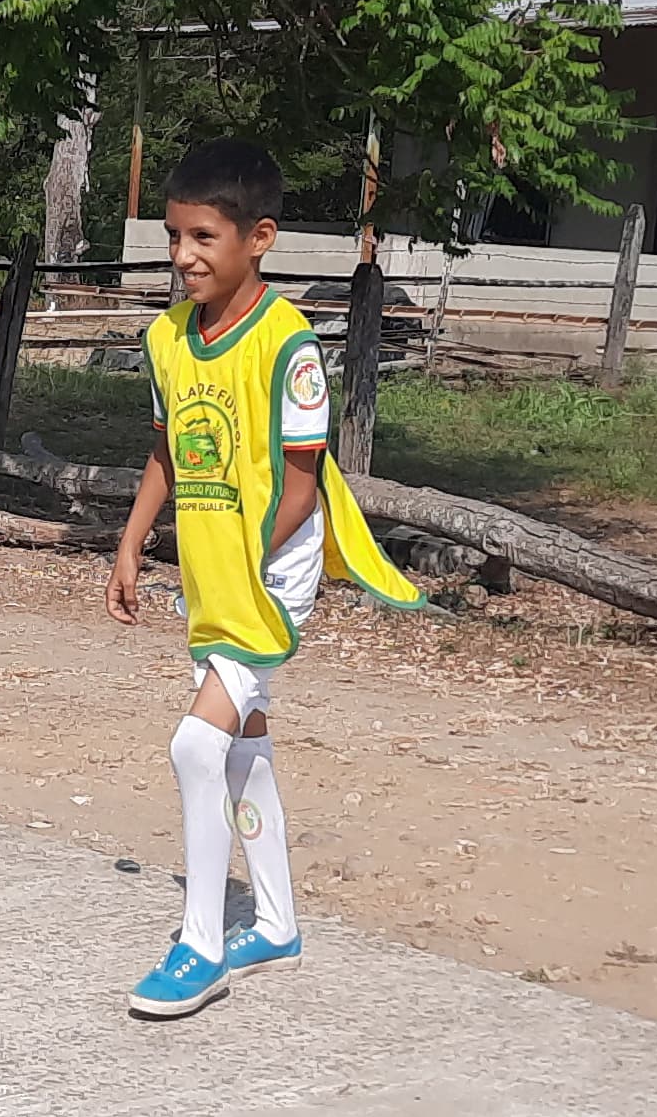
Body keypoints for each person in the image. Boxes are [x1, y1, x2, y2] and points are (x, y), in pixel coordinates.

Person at [105, 139, 426, 1018]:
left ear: (260, 238)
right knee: (242, 745)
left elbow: (300, 482)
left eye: (204, 237)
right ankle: (277, 922)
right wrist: (132, 542)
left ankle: (202, 946)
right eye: (174, 237)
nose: (184, 256)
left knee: (195, 744)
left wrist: (249, 564)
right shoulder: (167, 340)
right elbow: (168, 451)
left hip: (269, 576)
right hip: (211, 573)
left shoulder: (289, 346)